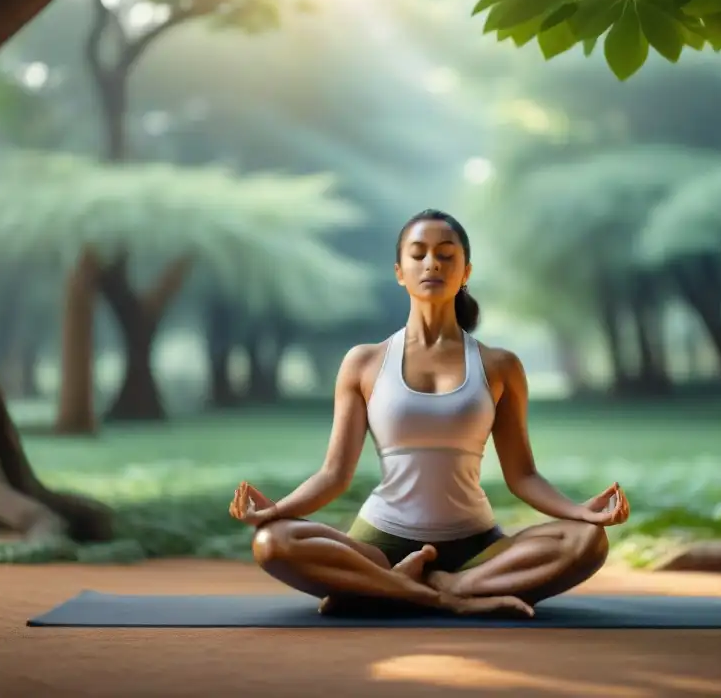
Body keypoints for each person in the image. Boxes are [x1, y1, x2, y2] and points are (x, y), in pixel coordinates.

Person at [228, 209, 630, 617]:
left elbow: (522, 475)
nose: (432, 263)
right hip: (379, 545)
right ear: (400, 271)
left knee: (587, 541)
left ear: (465, 271)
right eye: (418, 254)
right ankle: (438, 596)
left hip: (477, 547)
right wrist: (275, 512)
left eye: (446, 254)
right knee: (273, 542)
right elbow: (334, 475)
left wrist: (579, 512)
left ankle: (406, 588)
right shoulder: (364, 362)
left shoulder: (500, 366)